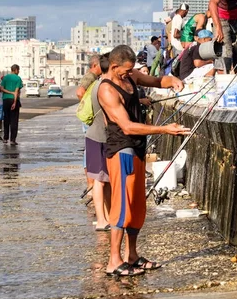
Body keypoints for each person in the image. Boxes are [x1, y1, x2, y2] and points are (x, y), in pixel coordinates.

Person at [98, 45, 190, 277]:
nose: (130, 74)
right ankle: (113, 261)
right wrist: (165, 130)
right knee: (122, 206)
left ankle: (132, 256)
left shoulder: (131, 75)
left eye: (131, 71)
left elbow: (157, 81)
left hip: (138, 148)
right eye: (126, 71)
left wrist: (173, 81)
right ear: (115, 65)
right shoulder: (107, 90)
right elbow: (127, 126)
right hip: (121, 150)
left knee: (138, 207)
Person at [85, 53, 112, 232]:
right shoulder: (102, 87)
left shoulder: (98, 84)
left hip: (99, 137)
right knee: (99, 181)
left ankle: (109, 217)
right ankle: (101, 220)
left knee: (106, 180)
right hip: (98, 138)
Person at [77, 55, 102, 191]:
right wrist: (90, 106)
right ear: (94, 65)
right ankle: (91, 184)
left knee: (90, 148)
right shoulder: (90, 76)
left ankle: (91, 183)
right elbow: (80, 92)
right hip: (91, 118)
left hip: (91, 117)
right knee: (90, 149)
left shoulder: (94, 77)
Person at [0, 65, 23, 145]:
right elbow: (16, 91)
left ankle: (5, 138)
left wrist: (9, 92)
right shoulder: (18, 78)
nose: (18, 72)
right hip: (13, 99)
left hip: (5, 100)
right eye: (18, 70)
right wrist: (15, 102)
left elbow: (1, 88)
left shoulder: (5, 78)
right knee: (14, 121)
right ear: (15, 70)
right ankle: (12, 140)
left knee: (6, 119)